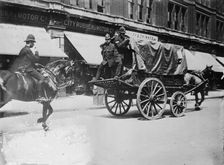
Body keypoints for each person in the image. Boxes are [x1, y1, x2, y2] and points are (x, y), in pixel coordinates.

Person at [12, 34, 47, 100]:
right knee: (42, 78)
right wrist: (36, 51)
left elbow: (25, 60)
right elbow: (36, 59)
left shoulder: (23, 49)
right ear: (30, 42)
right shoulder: (28, 50)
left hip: (21, 68)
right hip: (28, 69)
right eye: (33, 42)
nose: (33, 44)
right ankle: (39, 96)